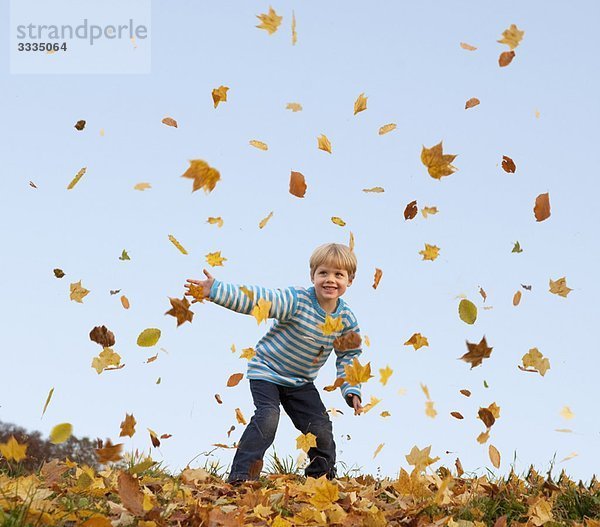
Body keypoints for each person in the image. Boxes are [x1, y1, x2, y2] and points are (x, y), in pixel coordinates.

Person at [184, 242, 364, 483]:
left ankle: (320, 479)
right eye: (323, 273)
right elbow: (261, 300)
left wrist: (352, 390)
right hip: (267, 371)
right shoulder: (297, 300)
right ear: (313, 275)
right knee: (268, 417)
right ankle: (241, 476)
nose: (330, 280)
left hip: (300, 382)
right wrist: (216, 290)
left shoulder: (346, 320)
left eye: (338, 275)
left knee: (320, 427)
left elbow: (349, 356)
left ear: (349, 280)